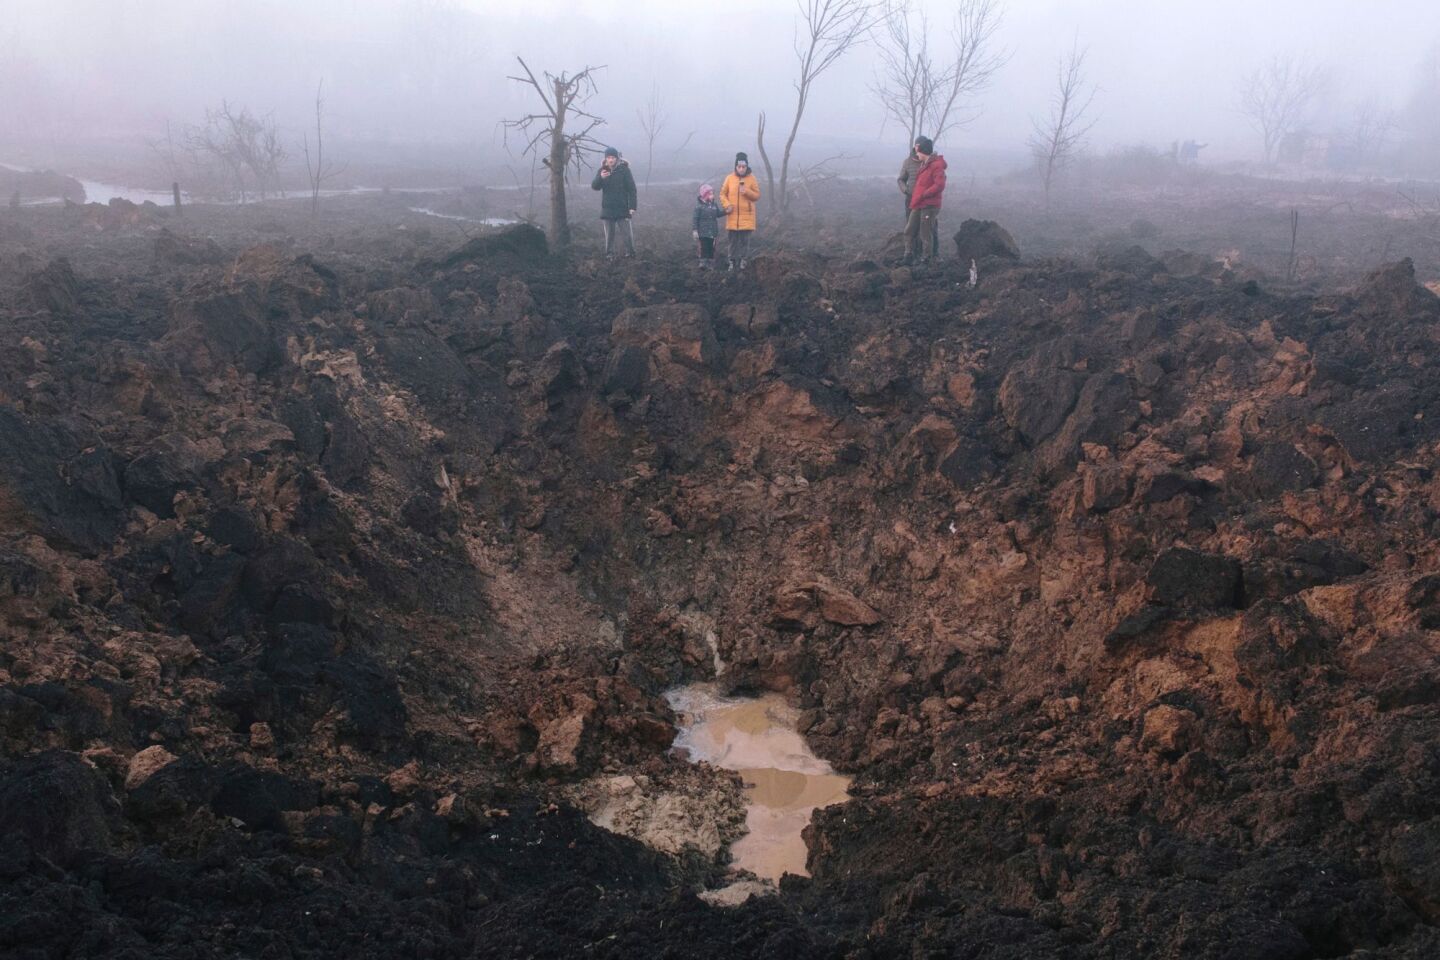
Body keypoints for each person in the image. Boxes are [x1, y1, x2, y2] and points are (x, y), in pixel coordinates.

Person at [904, 136, 946, 266]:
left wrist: (925, 194)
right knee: (909, 229)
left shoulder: (936, 166)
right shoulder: (924, 165)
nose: (916, 153)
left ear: (923, 152)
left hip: (929, 205)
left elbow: (939, 185)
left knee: (925, 232)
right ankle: (908, 254)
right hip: (918, 203)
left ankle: (927, 259)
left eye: (918, 151)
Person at [591, 146, 637, 258]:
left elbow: (632, 189)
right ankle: (609, 255)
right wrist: (600, 178)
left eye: (613, 157)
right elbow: (595, 187)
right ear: (606, 159)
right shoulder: (602, 171)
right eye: (608, 157)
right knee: (609, 236)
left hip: (623, 207)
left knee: (627, 235)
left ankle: (630, 254)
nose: (611, 160)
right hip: (608, 208)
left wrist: (632, 207)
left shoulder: (624, 170)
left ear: (617, 158)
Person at [720, 152, 760, 271]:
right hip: (732, 217)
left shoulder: (752, 179)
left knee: (744, 242)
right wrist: (727, 205)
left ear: (747, 167)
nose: (741, 169)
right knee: (732, 242)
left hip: (747, 218)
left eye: (744, 167)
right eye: (739, 167)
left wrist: (747, 192)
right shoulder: (729, 178)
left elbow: (757, 196)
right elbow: (722, 194)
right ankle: (732, 262)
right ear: (736, 167)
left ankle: (743, 261)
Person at [691, 183, 724, 269]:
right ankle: (703, 263)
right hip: (703, 232)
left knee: (711, 247)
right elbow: (695, 219)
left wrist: (726, 211)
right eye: (710, 194)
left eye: (712, 193)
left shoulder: (714, 205)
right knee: (704, 247)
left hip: (713, 231)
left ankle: (711, 263)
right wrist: (695, 230)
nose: (712, 195)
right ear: (705, 195)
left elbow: (718, 214)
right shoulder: (699, 207)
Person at [897, 139, 924, 222]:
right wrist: (906, 190)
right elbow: (901, 179)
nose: (918, 148)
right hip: (911, 198)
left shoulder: (928, 162)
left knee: (927, 226)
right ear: (914, 146)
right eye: (917, 146)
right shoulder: (907, 162)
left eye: (920, 146)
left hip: (926, 199)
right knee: (910, 224)